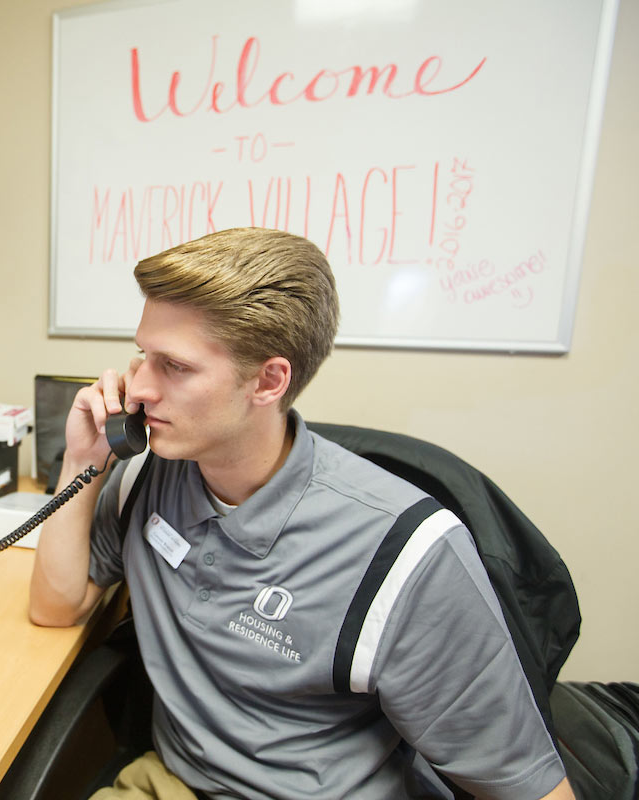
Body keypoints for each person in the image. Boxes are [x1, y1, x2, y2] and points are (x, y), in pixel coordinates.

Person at [29, 228, 573, 800]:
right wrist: (83, 461)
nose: (137, 387)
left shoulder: (407, 553)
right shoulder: (149, 472)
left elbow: (528, 786)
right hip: (174, 784)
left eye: (175, 367)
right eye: (141, 354)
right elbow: (56, 605)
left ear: (269, 380)